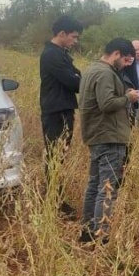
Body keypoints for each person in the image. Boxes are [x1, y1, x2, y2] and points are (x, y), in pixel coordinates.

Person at [78, 38, 139, 244]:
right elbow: (106, 103)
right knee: (107, 189)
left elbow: (100, 99)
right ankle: (101, 238)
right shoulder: (106, 73)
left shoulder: (92, 69)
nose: (125, 65)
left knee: (95, 184)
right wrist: (129, 98)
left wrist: (123, 93)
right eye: (125, 60)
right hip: (109, 136)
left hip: (97, 135)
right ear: (115, 54)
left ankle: (87, 232)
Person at [39, 15, 83, 219]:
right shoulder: (51, 55)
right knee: (54, 157)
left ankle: (55, 198)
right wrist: (75, 77)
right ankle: (53, 203)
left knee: (60, 156)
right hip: (55, 112)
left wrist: (76, 76)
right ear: (62, 34)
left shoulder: (60, 53)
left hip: (63, 109)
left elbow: (77, 74)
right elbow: (74, 82)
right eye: (74, 37)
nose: (75, 41)